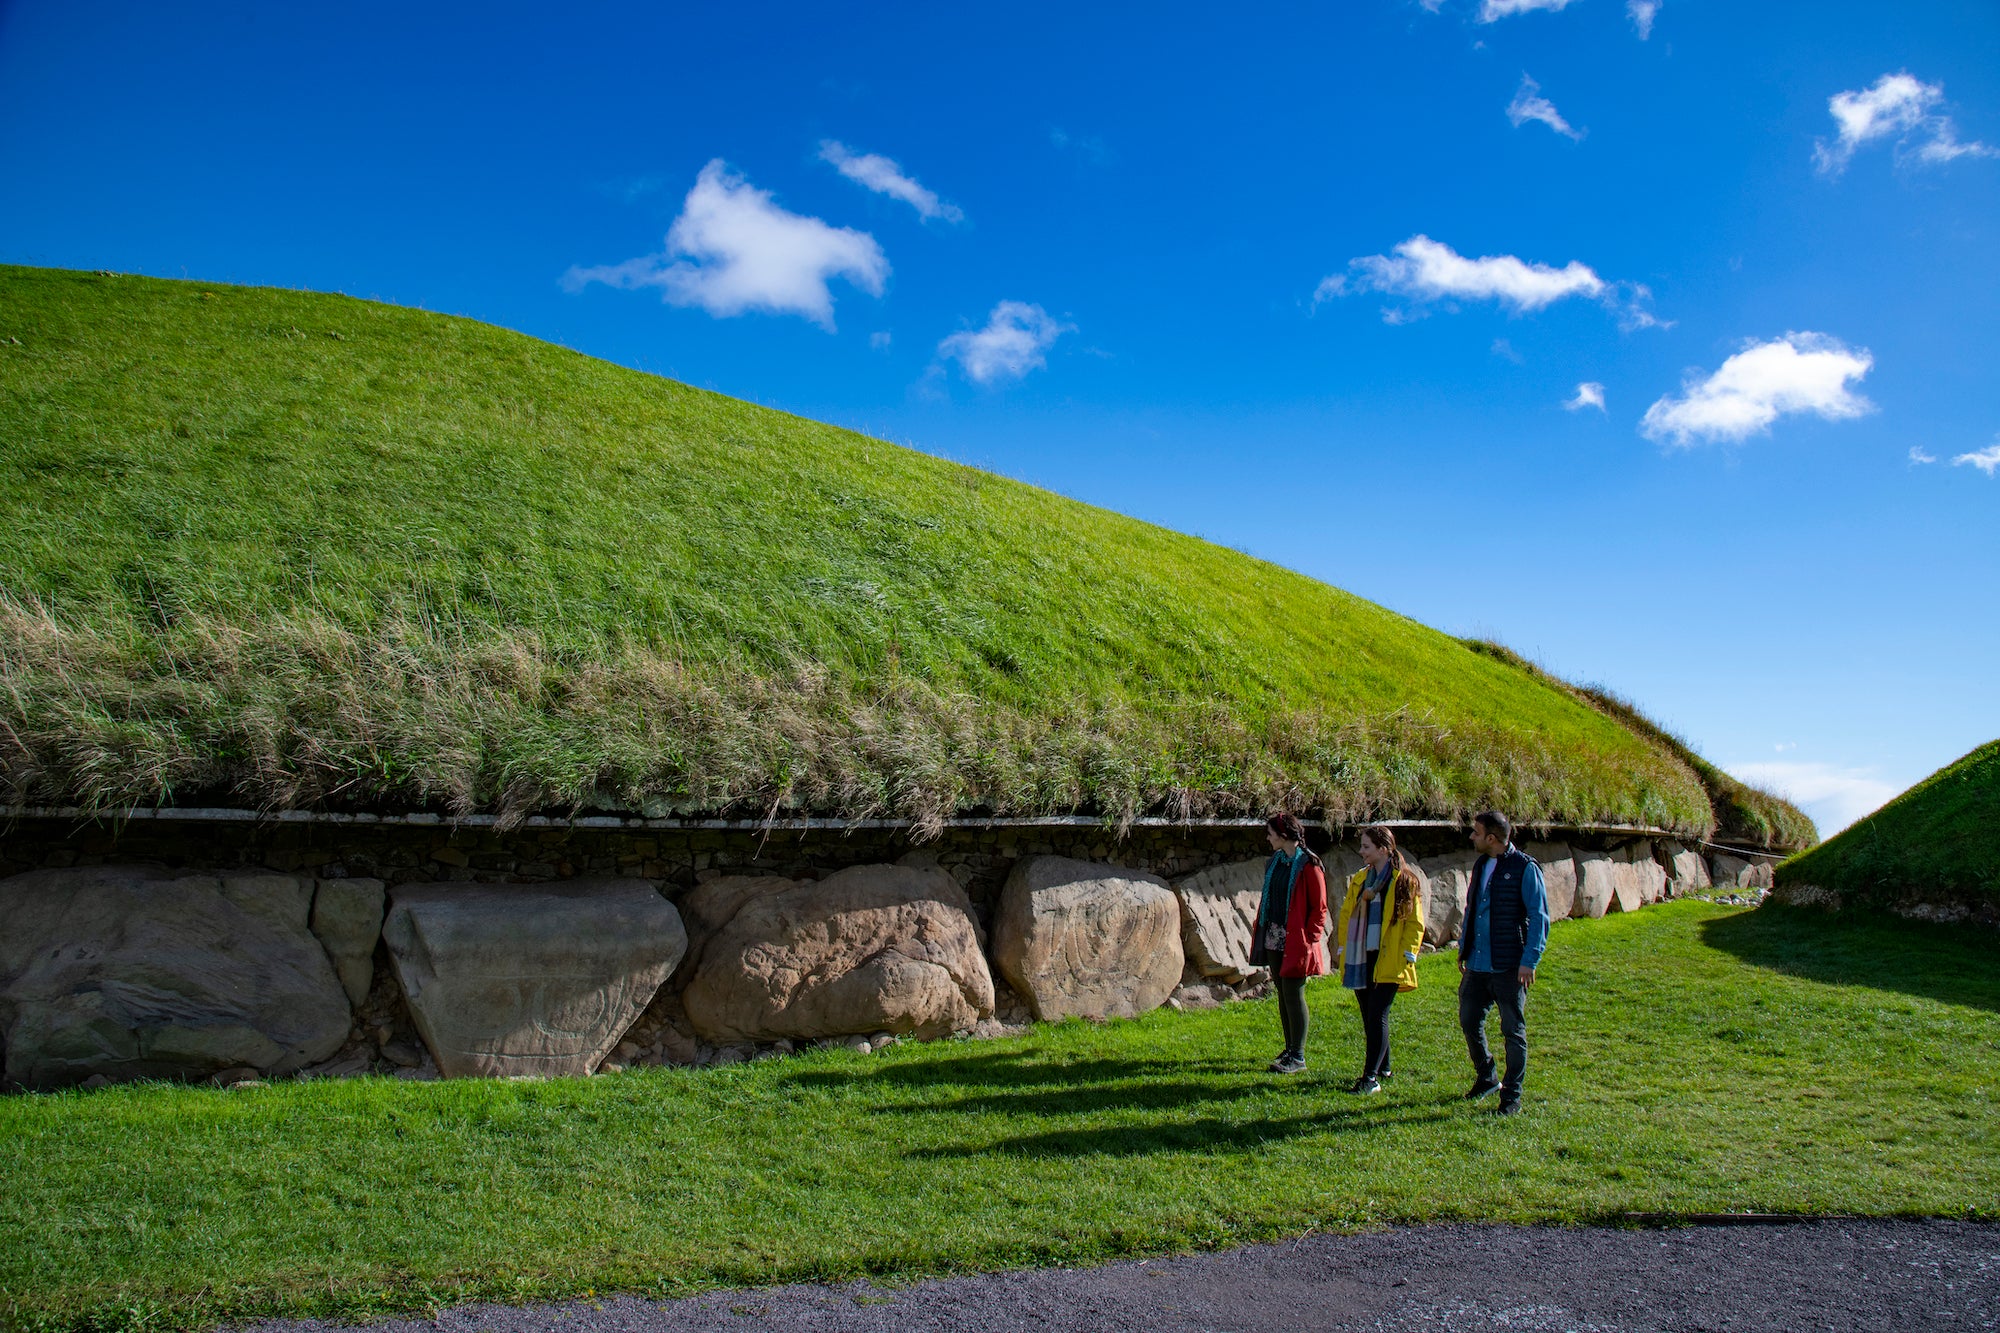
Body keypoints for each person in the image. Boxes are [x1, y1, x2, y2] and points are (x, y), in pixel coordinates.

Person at [1457, 810, 1550, 1115]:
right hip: (1478, 964)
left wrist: (1530, 960)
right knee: (1469, 1019)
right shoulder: (1482, 864)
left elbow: (1539, 917)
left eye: (1476, 832)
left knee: (1513, 1031)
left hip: (1510, 966)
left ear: (1491, 838)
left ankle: (1511, 1097)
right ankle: (1487, 1077)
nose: (1472, 836)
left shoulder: (1525, 868)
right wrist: (1464, 949)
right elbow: (1473, 910)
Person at [1333, 824, 1425, 1095]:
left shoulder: (1404, 880)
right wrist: (1342, 947)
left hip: (1390, 956)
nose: (1361, 852)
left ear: (1383, 849)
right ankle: (1383, 1067)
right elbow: (1347, 914)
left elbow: (1414, 921)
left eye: (1366, 847)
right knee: (1368, 1016)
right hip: (1362, 955)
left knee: (1377, 1015)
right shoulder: (1361, 879)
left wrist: (1410, 952)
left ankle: (1370, 1079)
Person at [1250, 811, 1329, 1074]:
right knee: (1282, 994)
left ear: (1283, 835)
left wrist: (1310, 941)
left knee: (1294, 994)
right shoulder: (1276, 860)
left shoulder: (1309, 864)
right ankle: (1289, 1048)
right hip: (1274, 934)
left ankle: (1298, 1056)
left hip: (1297, 939)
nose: (1267, 837)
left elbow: (1319, 909)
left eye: (1270, 833)